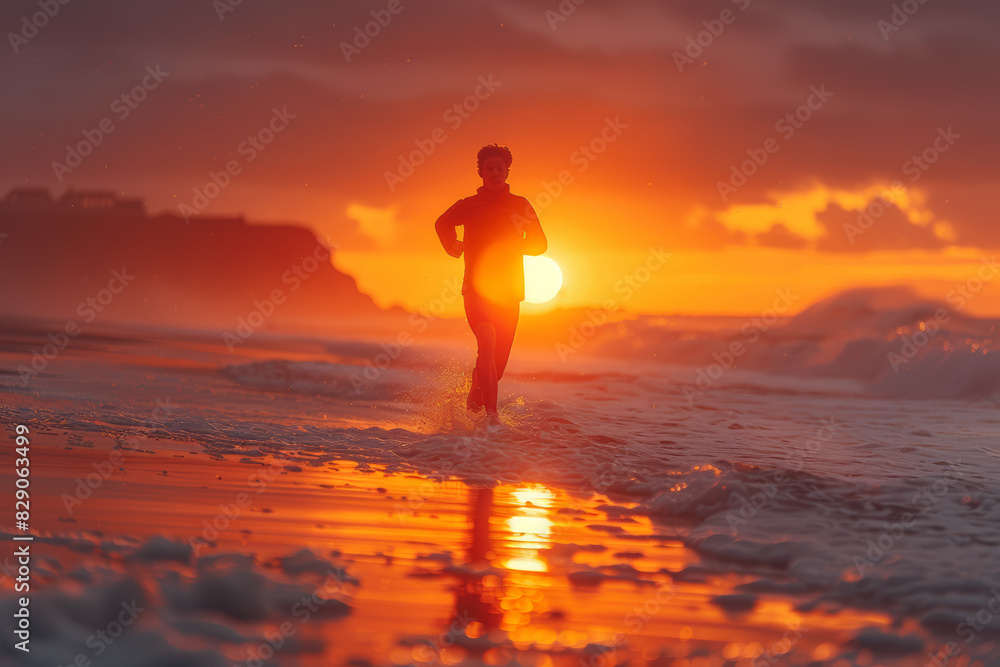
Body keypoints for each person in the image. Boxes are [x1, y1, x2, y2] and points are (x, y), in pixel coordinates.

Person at [435, 144, 547, 425]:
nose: (494, 172)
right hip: (476, 289)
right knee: (486, 342)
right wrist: (451, 243)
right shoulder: (469, 205)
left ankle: (475, 400)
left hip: (509, 292)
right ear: (481, 172)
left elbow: (540, 244)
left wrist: (511, 245)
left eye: (499, 168)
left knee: (497, 366)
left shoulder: (520, 205)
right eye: (489, 168)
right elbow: (442, 223)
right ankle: (492, 418)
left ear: (507, 171)